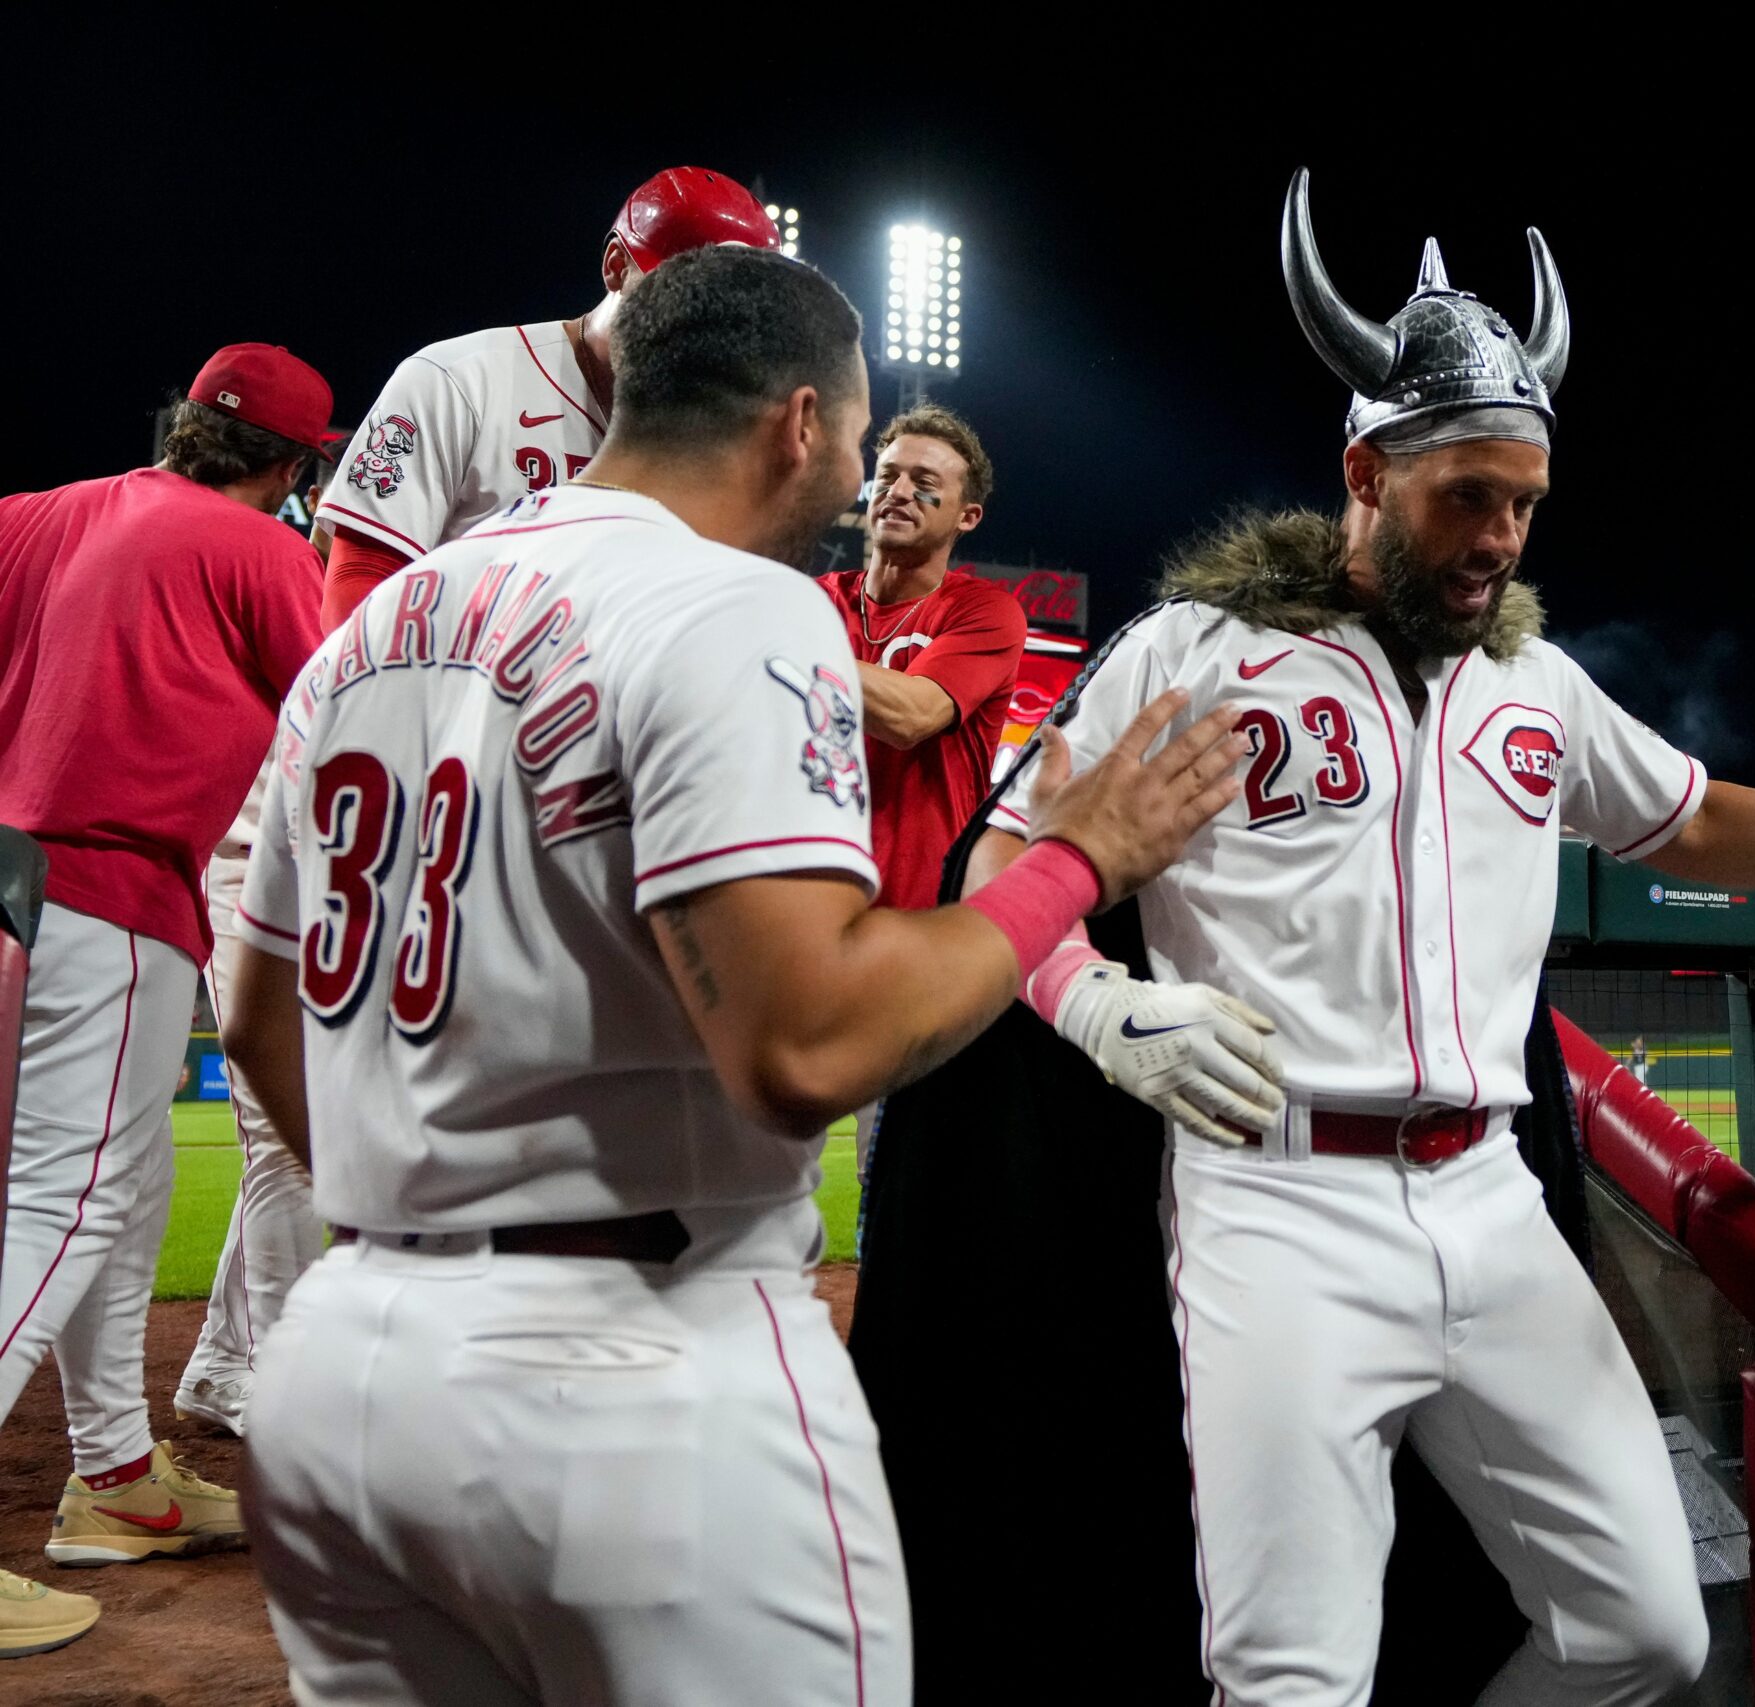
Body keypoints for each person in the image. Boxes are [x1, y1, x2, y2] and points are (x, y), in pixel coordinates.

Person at [955, 170, 1755, 1706]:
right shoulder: (1200, 648)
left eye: (1524, 502)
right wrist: (1096, 997)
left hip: (1496, 1203)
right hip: (1277, 1200)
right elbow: (1004, 844)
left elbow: (1695, 815)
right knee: (1290, 1680)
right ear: (1364, 472)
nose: (1502, 537)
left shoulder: (1536, 681)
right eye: (1469, 496)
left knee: (1646, 1629)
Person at [216, 245, 1245, 1707]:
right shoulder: (745, 607)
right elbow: (805, 1045)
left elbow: (256, 1016)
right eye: (862, 436)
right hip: (637, 1376)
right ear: (801, 423)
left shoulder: (382, 619)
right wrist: (1077, 861)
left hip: (345, 1366)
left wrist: (425, 1226)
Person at [0, 343, 338, 1655]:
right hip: (113, 882)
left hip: (26, 875)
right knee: (67, 1194)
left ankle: (117, 1481)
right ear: (292, 464)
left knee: (124, 1188)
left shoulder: (43, 512)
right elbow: (341, 726)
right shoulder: (262, 551)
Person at [314, 165, 778, 628]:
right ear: (616, 267)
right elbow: (360, 585)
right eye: (688, 297)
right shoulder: (458, 379)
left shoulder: (718, 441)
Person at [175, 442, 350, 1437]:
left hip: (304, 886)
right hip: (246, 874)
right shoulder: (261, 572)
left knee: (289, 1141)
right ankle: (281, 1382)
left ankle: (225, 1363)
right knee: (283, 1141)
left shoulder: (363, 603)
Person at [813, 406, 1027, 910]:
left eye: (924, 481)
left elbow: (910, 717)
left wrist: (784, 639)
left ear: (966, 516)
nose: (900, 491)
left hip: (921, 914)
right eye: (888, 476)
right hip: (808, 899)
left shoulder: (985, 612)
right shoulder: (815, 600)